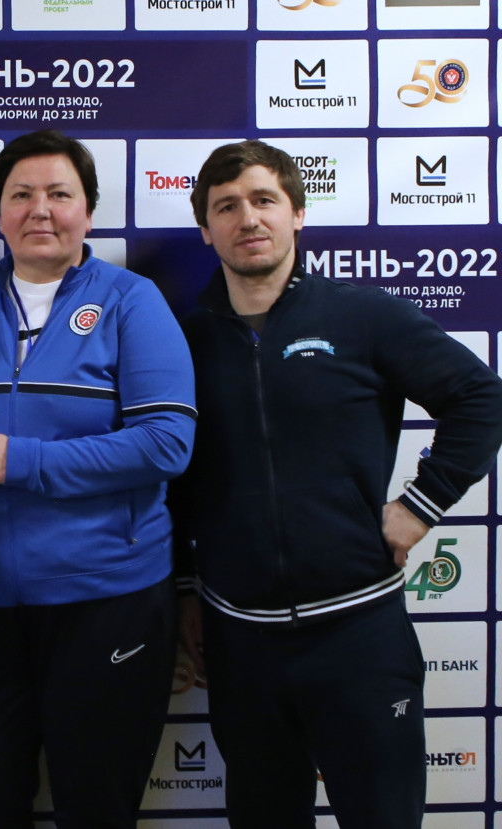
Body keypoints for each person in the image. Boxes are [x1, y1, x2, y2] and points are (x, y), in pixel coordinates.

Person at [171, 139, 502, 828]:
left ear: (297, 213)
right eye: (226, 207)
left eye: (264, 200)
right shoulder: (184, 340)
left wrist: (419, 506)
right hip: (242, 645)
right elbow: (168, 476)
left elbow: (481, 396)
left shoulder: (363, 316)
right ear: (205, 229)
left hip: (359, 637)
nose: (247, 218)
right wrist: (183, 588)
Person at [0, 130, 197, 828]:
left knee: (96, 808)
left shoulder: (132, 301)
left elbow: (167, 444)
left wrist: (20, 460)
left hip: (108, 599)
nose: (40, 209)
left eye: (59, 194)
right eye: (22, 194)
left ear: (88, 211)